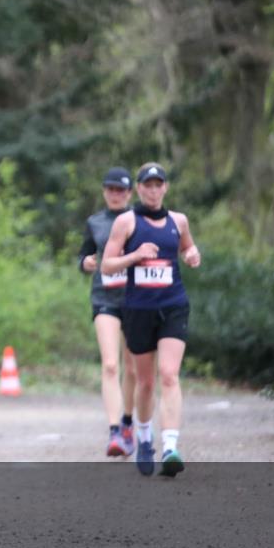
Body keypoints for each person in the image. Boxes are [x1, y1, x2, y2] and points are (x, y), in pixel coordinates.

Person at [101, 163, 200, 477]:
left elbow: (187, 246)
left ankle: (170, 446)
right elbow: (107, 265)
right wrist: (134, 256)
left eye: (159, 184)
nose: (153, 190)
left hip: (173, 305)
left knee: (169, 375)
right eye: (148, 185)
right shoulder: (126, 222)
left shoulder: (179, 221)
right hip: (138, 309)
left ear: (166, 188)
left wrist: (192, 255)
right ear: (139, 189)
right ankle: (144, 438)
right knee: (145, 382)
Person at [78, 167, 138, 457]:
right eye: (111, 189)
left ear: (129, 193)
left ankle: (128, 421)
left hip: (138, 300)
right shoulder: (95, 222)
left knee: (133, 367)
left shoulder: (139, 220)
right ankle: (115, 431)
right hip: (105, 298)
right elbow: (84, 254)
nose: (116, 195)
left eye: (121, 190)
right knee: (111, 364)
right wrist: (85, 263)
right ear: (104, 192)